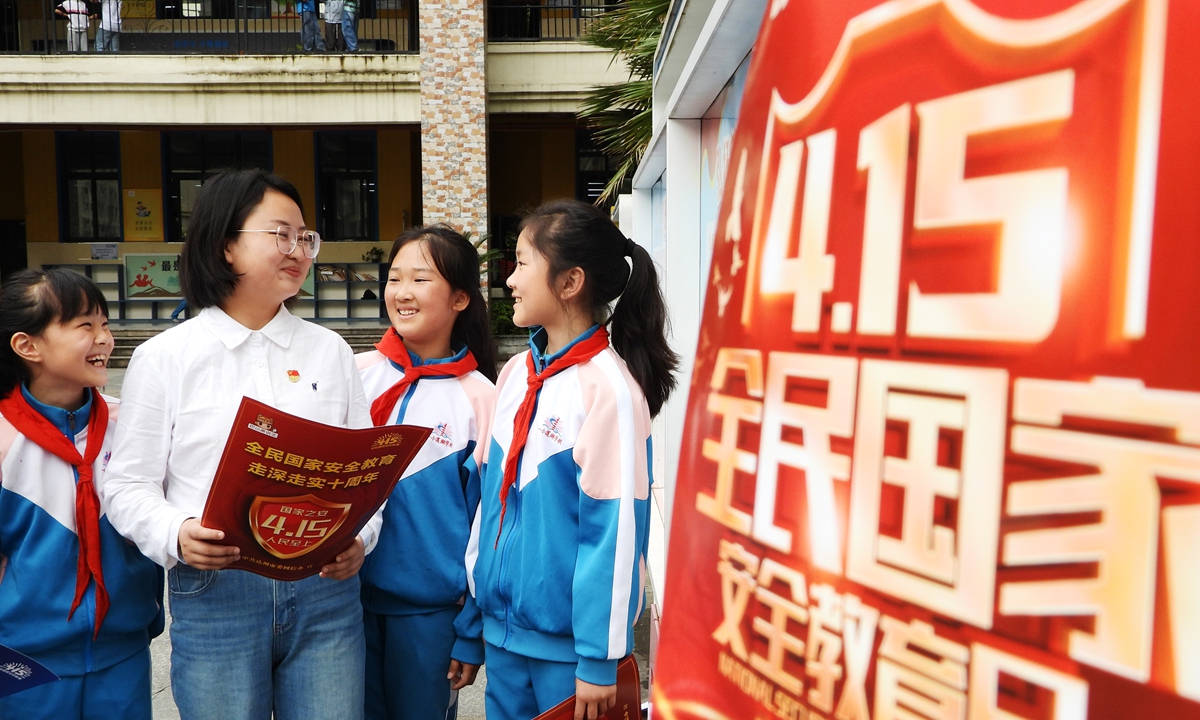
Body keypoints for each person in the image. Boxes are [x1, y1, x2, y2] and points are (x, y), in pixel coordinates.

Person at [101, 169, 375, 720]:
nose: (299, 250)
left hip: (324, 592)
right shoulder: (166, 358)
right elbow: (126, 484)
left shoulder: (331, 352)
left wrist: (361, 537)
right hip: (216, 590)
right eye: (281, 234)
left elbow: (365, 473)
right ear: (226, 245)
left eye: (306, 237)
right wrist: (176, 533)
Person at [466, 199, 679, 720]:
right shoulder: (515, 374)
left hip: (571, 659)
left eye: (521, 263)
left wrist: (599, 658)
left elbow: (616, 533)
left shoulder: (609, 390)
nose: (509, 279)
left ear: (570, 282)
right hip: (503, 638)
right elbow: (489, 507)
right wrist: (473, 622)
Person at [0, 269, 163, 720]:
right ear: (27, 345)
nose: (105, 339)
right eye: (85, 326)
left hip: (123, 652)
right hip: (21, 660)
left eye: (105, 324)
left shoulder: (132, 426)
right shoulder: (4, 438)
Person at [356, 225, 497, 720]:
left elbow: (489, 525)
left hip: (431, 617)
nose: (402, 292)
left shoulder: (482, 398)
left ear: (460, 298)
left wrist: (471, 628)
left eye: (420, 279)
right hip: (342, 604)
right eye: (395, 278)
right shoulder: (353, 374)